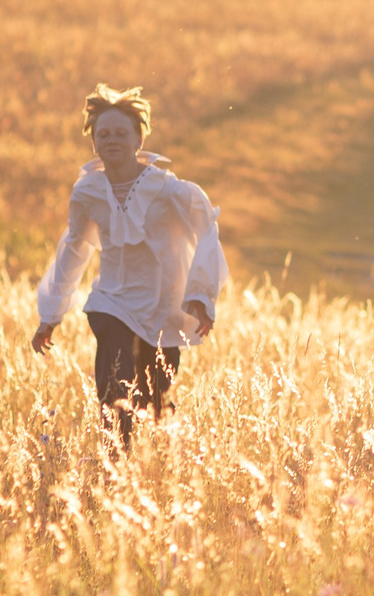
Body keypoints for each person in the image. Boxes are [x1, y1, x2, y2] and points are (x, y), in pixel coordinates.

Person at [31, 85, 227, 447]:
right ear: (94, 144)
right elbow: (73, 250)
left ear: (139, 139)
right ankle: (113, 464)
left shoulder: (168, 189)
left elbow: (206, 228)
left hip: (161, 307)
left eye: (121, 133)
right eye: (103, 134)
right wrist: (51, 313)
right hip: (111, 302)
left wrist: (200, 294)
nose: (112, 140)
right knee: (115, 387)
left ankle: (154, 464)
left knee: (156, 399)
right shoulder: (87, 191)